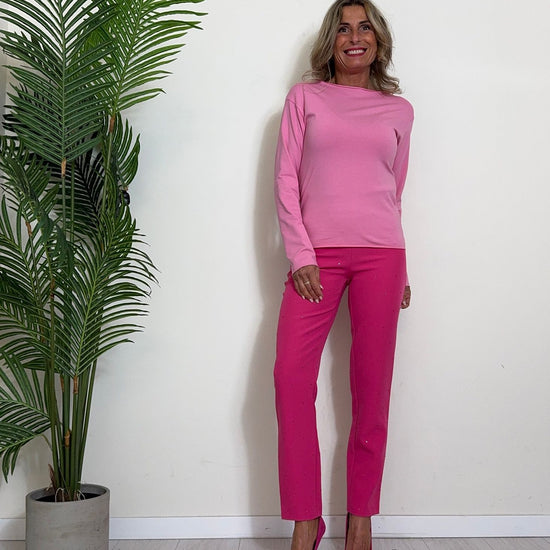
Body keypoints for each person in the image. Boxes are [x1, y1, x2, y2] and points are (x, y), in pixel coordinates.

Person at [273, 1, 414, 549]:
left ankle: (361, 519)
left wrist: (403, 267)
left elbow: (393, 191)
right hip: (317, 257)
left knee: (372, 391)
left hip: (383, 256)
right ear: (331, 41)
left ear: (378, 40)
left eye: (365, 28)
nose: (356, 37)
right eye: (345, 29)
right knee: (290, 379)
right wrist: (301, 255)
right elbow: (286, 179)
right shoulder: (304, 98)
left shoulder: (399, 110)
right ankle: (306, 521)